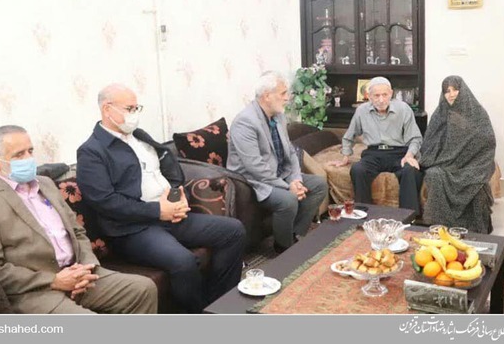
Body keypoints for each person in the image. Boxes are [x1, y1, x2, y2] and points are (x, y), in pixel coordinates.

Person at [76, 84, 246, 312]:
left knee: (233, 231)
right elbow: (105, 201)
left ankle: (219, 305)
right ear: (107, 109)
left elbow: (170, 171)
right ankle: (199, 316)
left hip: (169, 216)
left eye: (137, 108)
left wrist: (176, 197)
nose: (134, 114)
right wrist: (158, 211)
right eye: (129, 109)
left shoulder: (140, 137)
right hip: (132, 230)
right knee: (183, 261)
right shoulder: (92, 151)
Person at [0, 125, 157, 314]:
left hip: (78, 273)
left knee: (143, 289)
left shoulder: (45, 184)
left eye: (30, 151)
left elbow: (77, 231)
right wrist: (54, 281)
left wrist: (85, 266)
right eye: (19, 155)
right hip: (35, 291)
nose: (28, 159)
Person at [227, 71, 328, 253]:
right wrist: (287, 187)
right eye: (283, 93)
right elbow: (255, 167)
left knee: (319, 184)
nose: (287, 98)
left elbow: (290, 150)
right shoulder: (245, 122)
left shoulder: (278, 115)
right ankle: (283, 248)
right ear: (267, 96)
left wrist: (296, 179)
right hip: (252, 181)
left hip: (278, 174)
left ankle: (294, 236)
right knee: (288, 200)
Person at [332, 77, 423, 214]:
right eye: (376, 95)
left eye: (385, 95)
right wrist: (346, 155)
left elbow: (415, 137)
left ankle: (409, 217)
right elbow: (349, 135)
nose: (381, 100)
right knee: (357, 169)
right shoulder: (361, 111)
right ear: (369, 96)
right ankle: (363, 213)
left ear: (391, 93)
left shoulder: (404, 109)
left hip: (399, 152)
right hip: (373, 153)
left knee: (411, 170)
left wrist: (409, 155)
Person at [419, 76, 496, 233]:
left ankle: (474, 229)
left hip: (471, 164)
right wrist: (443, 158)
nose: (451, 94)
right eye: (447, 91)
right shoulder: (439, 114)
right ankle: (441, 227)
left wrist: (462, 126)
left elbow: (487, 141)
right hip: (445, 164)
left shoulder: (477, 113)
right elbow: (429, 144)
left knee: (476, 182)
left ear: (463, 91)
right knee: (434, 175)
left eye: (455, 89)